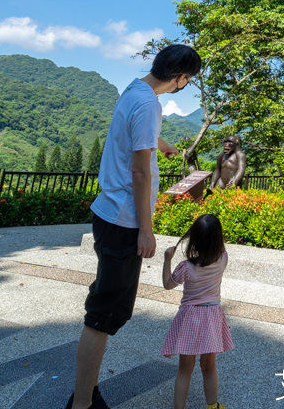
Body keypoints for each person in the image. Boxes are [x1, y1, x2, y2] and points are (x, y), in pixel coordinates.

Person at [66, 44, 202, 409]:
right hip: (124, 220)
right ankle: (81, 403)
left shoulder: (134, 91)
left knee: (107, 307)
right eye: (187, 81)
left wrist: (161, 144)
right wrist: (146, 229)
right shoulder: (149, 104)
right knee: (105, 313)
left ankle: (87, 392)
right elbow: (139, 170)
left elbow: (134, 136)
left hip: (108, 212)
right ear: (180, 78)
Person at [161, 213, 233, 409]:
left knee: (185, 369)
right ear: (219, 239)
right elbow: (218, 246)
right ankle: (213, 406)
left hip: (190, 318)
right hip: (211, 318)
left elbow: (168, 284)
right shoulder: (223, 259)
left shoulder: (186, 267)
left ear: (194, 240)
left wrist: (167, 259)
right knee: (209, 367)